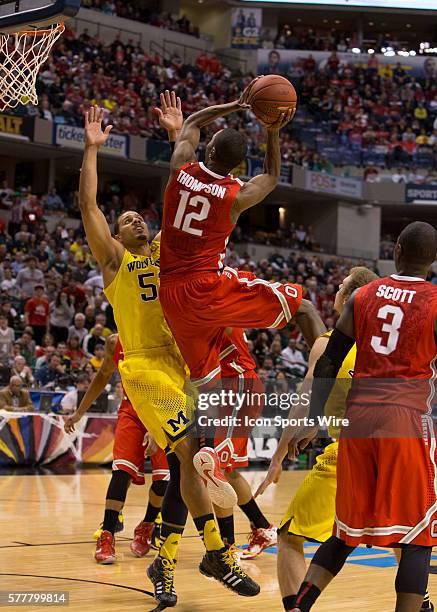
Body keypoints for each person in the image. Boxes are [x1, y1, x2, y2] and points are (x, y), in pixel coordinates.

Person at [79, 100, 259, 605]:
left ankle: (168, 562)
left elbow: (189, 191)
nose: (137, 220)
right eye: (128, 218)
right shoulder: (115, 262)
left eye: (141, 217)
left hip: (183, 365)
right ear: (115, 236)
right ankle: (218, 554)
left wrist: (182, 135)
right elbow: (88, 207)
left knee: (188, 464)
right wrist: (92, 151)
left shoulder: (165, 251)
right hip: (144, 369)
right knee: (190, 456)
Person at [158, 80, 324, 502]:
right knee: (302, 306)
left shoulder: (180, 170)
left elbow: (191, 121)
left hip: (171, 294)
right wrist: (272, 130)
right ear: (234, 168)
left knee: (205, 383)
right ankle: (328, 386)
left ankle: (208, 449)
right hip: (207, 287)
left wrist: (235, 104)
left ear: (208, 152)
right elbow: (270, 175)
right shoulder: (235, 196)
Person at [286, 222, 437, 612]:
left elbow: (329, 361)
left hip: (357, 421)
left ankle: (300, 607)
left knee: (344, 530)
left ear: (397, 250)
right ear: (432, 260)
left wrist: (314, 418)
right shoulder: (435, 300)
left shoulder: (362, 296)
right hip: (405, 419)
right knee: (417, 536)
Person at [256, 267, 382, 612]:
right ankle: (423, 603)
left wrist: (278, 456)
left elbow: (302, 405)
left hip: (350, 454)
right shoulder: (387, 345)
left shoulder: (328, 344)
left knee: (289, 536)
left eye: (341, 286)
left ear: (348, 298)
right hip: (396, 451)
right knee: (401, 537)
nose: (337, 290)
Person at [64, 334, 169, 562]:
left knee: (164, 480)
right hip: (131, 410)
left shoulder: (161, 334)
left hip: (162, 408)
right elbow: (103, 375)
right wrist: (79, 412)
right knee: (121, 472)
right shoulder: (115, 341)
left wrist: (155, 424)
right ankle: (107, 534)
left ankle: (147, 526)